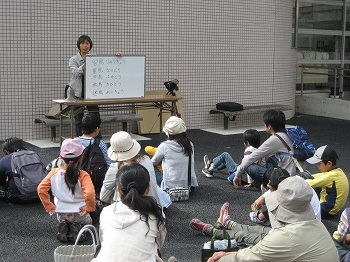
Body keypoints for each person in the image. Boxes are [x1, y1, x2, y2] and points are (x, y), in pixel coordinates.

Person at [207, 177, 339, 262]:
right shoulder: (316, 225)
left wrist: (221, 258)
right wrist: (228, 254)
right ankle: (224, 225)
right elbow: (255, 254)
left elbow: (251, 257)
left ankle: (216, 229)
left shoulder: (286, 237)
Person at [91, 163, 167, 262]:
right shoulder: (155, 214)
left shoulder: (107, 212)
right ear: (148, 189)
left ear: (119, 189)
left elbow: (102, 240)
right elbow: (159, 244)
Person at [37, 139, 95, 242]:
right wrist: (89, 208)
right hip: (80, 213)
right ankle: (79, 229)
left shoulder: (54, 172)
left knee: (64, 220)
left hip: (61, 213)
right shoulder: (83, 175)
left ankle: (66, 226)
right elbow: (90, 193)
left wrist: (49, 207)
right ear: (81, 158)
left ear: (61, 157)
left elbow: (41, 189)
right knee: (89, 222)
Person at [100, 131, 171, 209]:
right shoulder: (147, 160)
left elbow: (103, 197)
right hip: (153, 207)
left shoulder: (115, 168)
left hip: (125, 212)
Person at [69, 35, 122, 136]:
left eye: (87, 43)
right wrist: (85, 63)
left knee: (96, 117)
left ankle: (97, 140)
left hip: (91, 93)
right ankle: (80, 142)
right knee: (78, 120)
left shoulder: (95, 58)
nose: (85, 46)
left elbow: (107, 65)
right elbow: (75, 73)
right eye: (82, 43)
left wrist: (117, 58)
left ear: (90, 45)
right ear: (78, 45)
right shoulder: (73, 59)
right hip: (77, 93)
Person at [233, 110, 297, 189]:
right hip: (295, 173)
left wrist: (238, 174)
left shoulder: (275, 139)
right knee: (269, 159)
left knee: (250, 167)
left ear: (269, 126)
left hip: (285, 177)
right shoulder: (288, 134)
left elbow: (252, 157)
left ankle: (268, 186)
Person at [250, 167, 321, 225]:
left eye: (269, 187)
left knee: (274, 201)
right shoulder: (296, 180)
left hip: (303, 226)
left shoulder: (289, 195)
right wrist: (263, 197)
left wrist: (261, 216)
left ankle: (260, 217)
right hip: (313, 220)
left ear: (270, 186)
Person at [151, 116, 199, 191]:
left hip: (169, 187)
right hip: (189, 186)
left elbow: (153, 162)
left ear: (168, 133)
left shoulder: (164, 146)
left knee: (151, 166)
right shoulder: (190, 144)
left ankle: (157, 187)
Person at [305, 145, 349, 219]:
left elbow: (307, 183)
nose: (317, 166)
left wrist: (300, 178)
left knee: (306, 189)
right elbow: (320, 176)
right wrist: (308, 176)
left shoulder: (330, 177)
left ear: (329, 164)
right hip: (332, 208)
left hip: (326, 210)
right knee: (316, 187)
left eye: (319, 163)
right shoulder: (337, 172)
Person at [0, 137, 40, 203]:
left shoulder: (5, 160)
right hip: (40, 195)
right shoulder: (34, 154)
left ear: (7, 151)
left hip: (18, 198)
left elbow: (1, 180)